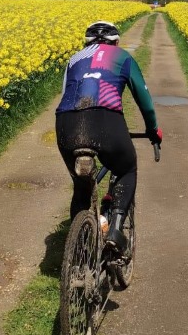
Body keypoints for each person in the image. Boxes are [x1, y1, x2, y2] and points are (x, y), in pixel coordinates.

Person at [55, 21, 160, 258]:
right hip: (104, 119)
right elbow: (144, 100)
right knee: (126, 168)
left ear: (86, 44)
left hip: (67, 123)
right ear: (116, 42)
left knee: (81, 186)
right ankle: (114, 231)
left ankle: (81, 250)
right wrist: (153, 129)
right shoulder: (122, 56)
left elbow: (65, 93)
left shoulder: (74, 59)